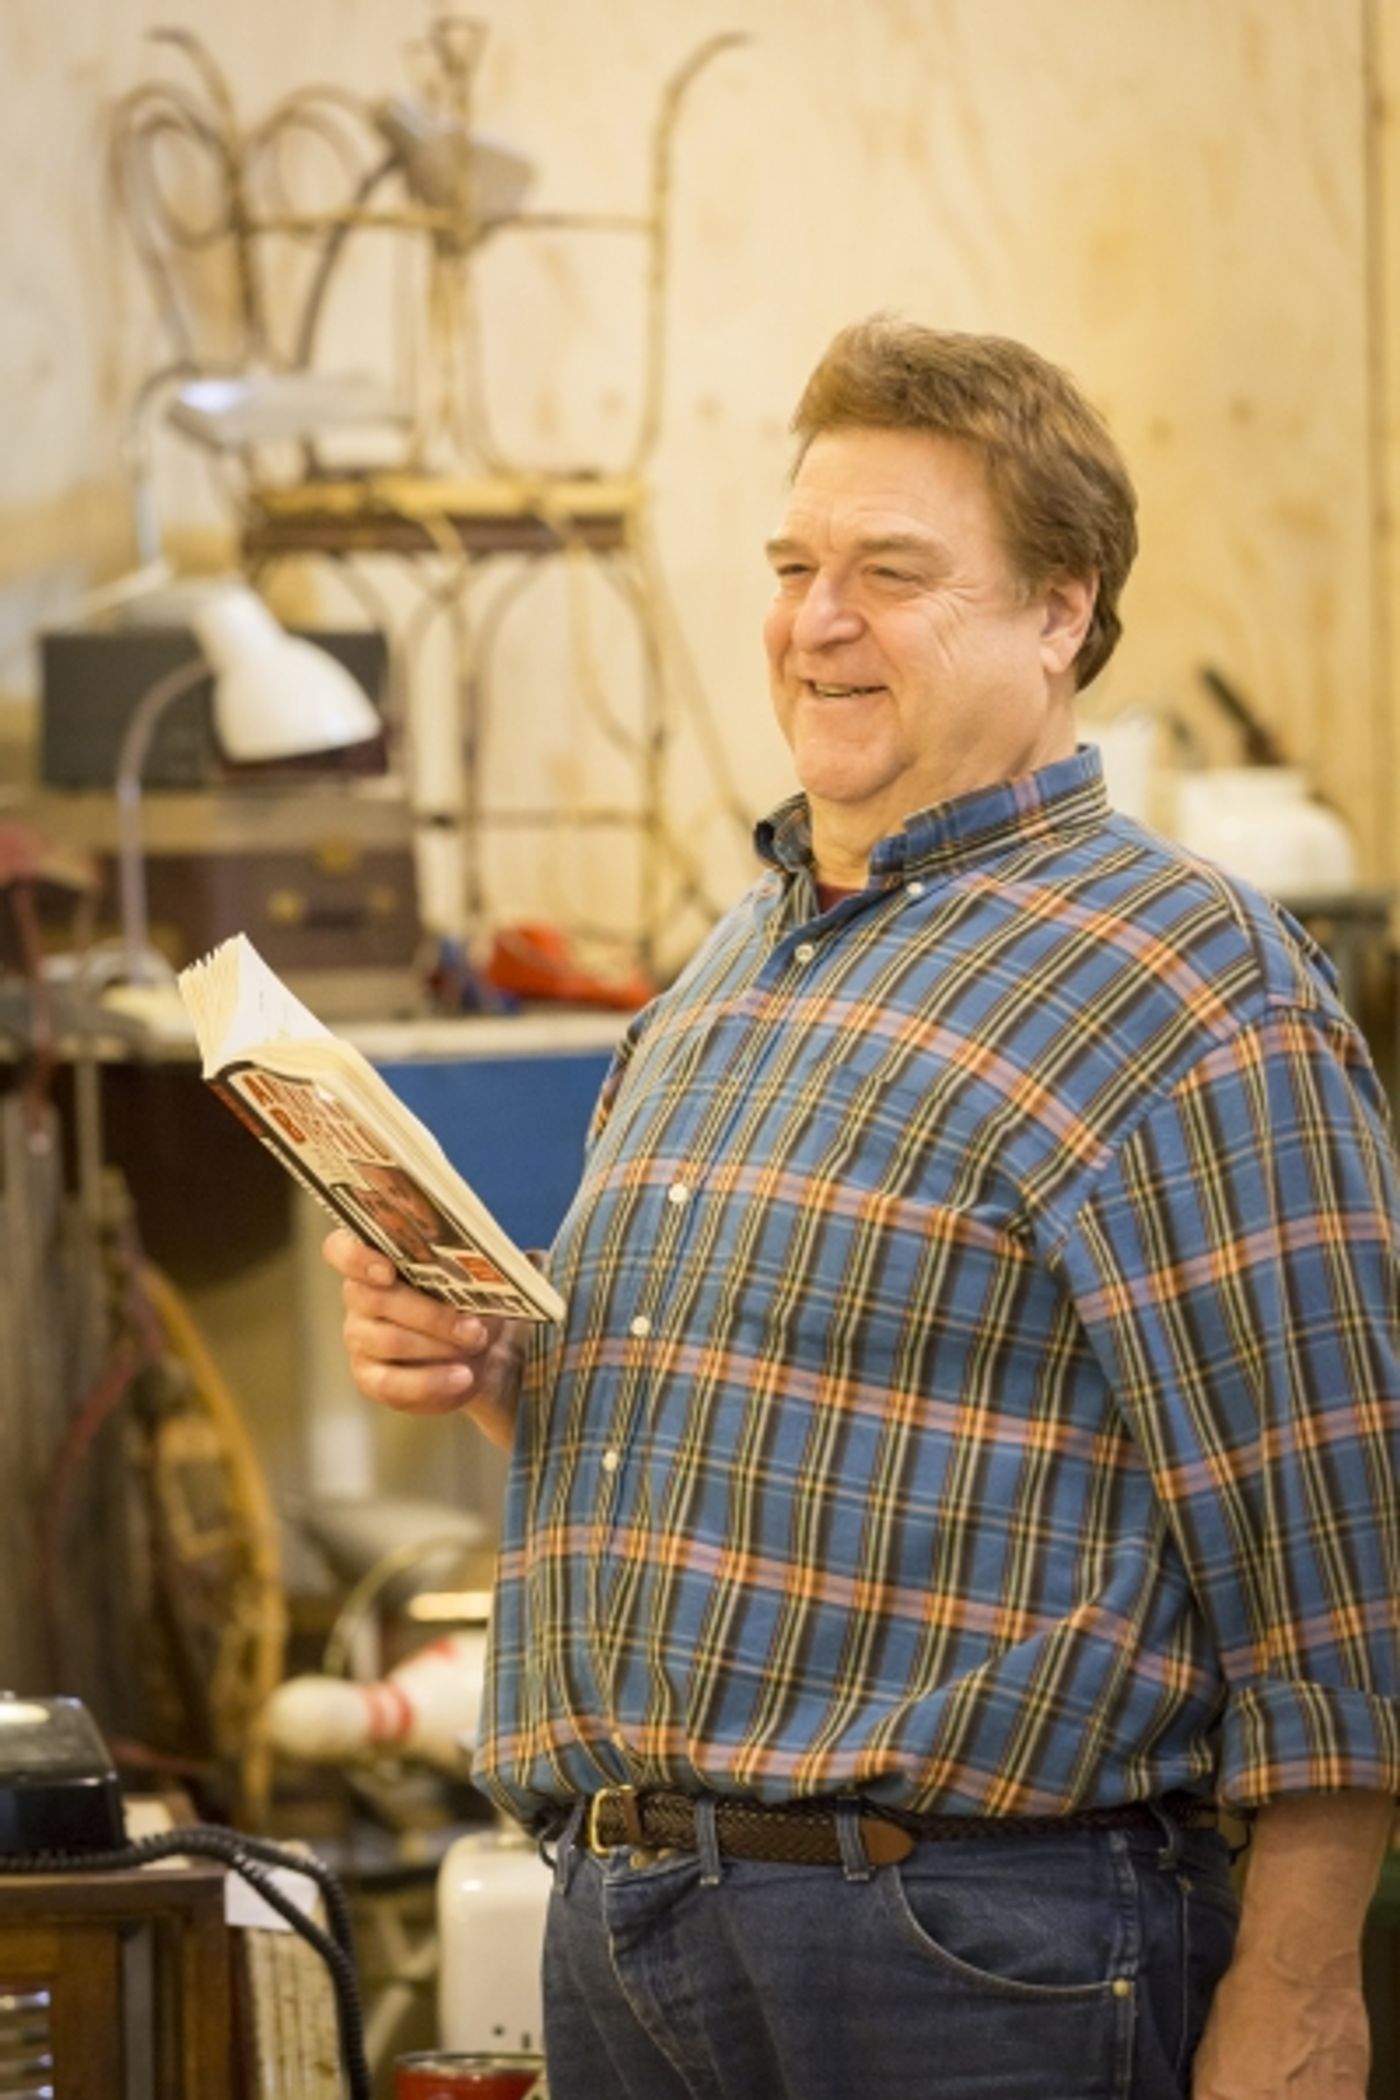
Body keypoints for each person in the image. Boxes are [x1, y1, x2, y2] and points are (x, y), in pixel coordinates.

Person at [325, 317, 1399, 2100]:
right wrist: (491, 1358)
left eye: (891, 574)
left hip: (967, 1958)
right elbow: (774, 1417)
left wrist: (1300, 1992)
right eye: (795, 566)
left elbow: (1339, 1555)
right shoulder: (735, 967)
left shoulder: (1194, 987)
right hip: (630, 1919)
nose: (816, 620)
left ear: (1062, 612)